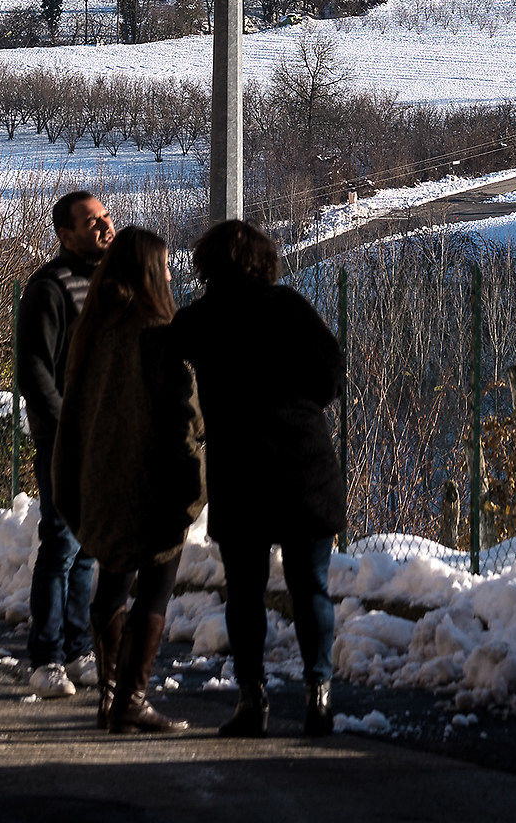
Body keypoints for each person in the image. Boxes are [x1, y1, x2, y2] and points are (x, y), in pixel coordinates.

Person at [169, 218, 344, 739]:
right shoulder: (289, 307)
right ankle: (320, 695)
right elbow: (331, 373)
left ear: (208, 265)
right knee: (310, 586)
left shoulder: (199, 320)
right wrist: (297, 406)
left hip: (239, 470)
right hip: (303, 464)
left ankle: (253, 700)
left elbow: (160, 350)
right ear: (262, 261)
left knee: (244, 592)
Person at [53, 226, 205, 733]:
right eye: (162, 265)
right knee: (155, 591)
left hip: (101, 480)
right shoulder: (159, 336)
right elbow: (185, 421)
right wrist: (195, 486)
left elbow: (74, 415)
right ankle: (132, 700)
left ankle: (111, 697)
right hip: (152, 484)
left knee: (112, 583)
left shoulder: (93, 333)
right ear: (146, 272)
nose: (169, 272)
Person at [16, 188, 113, 695]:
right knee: (61, 547)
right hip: (65, 443)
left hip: (106, 440)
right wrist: (65, 428)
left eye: (106, 217)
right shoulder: (49, 288)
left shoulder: (106, 284)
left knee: (88, 551)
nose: (103, 227)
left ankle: (78, 651)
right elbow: (33, 370)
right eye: (91, 222)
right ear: (65, 233)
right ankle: (45, 658)